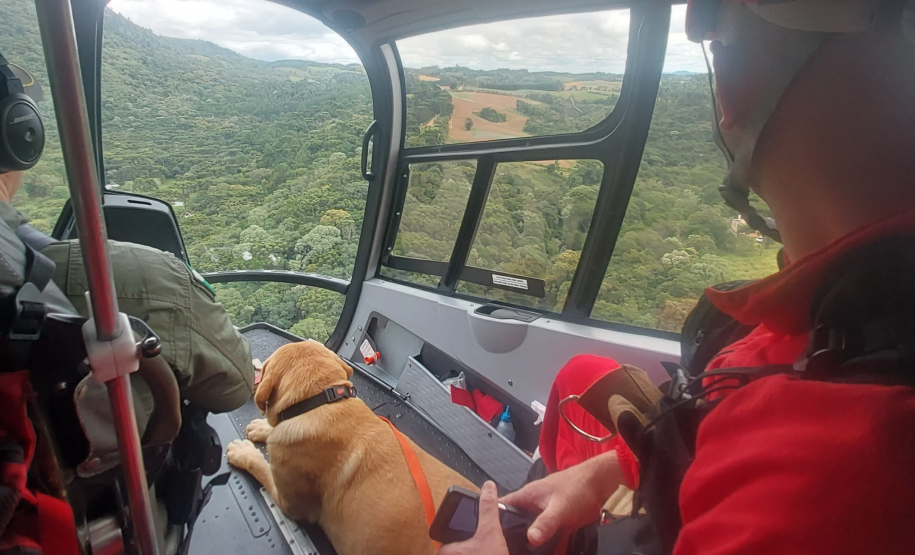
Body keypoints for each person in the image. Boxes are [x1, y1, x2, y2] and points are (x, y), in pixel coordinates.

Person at [440, 0, 915, 553]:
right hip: (681, 464)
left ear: (733, 88)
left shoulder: (824, 474)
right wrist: (612, 470)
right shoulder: (849, 307)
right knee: (582, 372)